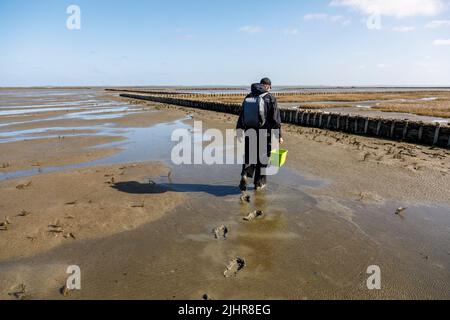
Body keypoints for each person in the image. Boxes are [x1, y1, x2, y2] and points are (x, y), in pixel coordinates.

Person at [236, 78, 283, 191]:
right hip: (264, 133)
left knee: (249, 155)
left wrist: (239, 129)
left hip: (249, 131)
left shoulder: (248, 97)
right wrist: (279, 135)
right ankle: (259, 183)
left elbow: (242, 114)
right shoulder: (270, 98)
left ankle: (245, 174)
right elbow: (275, 119)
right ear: (268, 86)